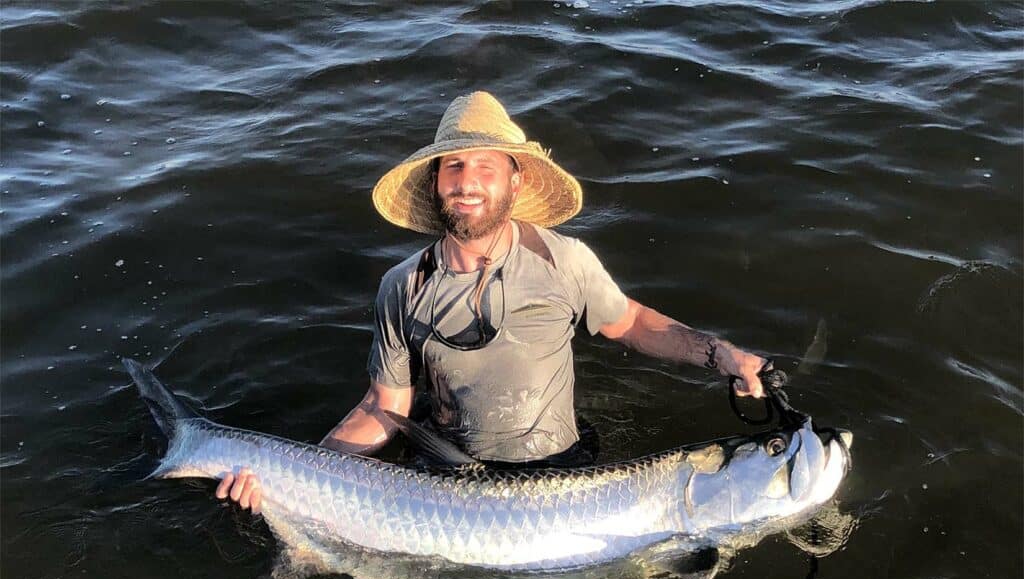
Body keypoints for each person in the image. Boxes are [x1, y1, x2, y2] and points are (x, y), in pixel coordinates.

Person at [217, 90, 767, 511]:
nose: (467, 183)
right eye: (453, 167)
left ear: (515, 180)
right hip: (448, 479)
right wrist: (293, 475)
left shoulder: (564, 259)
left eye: (486, 166)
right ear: (435, 184)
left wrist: (724, 357)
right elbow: (382, 408)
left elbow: (634, 322)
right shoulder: (401, 286)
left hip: (562, 474)